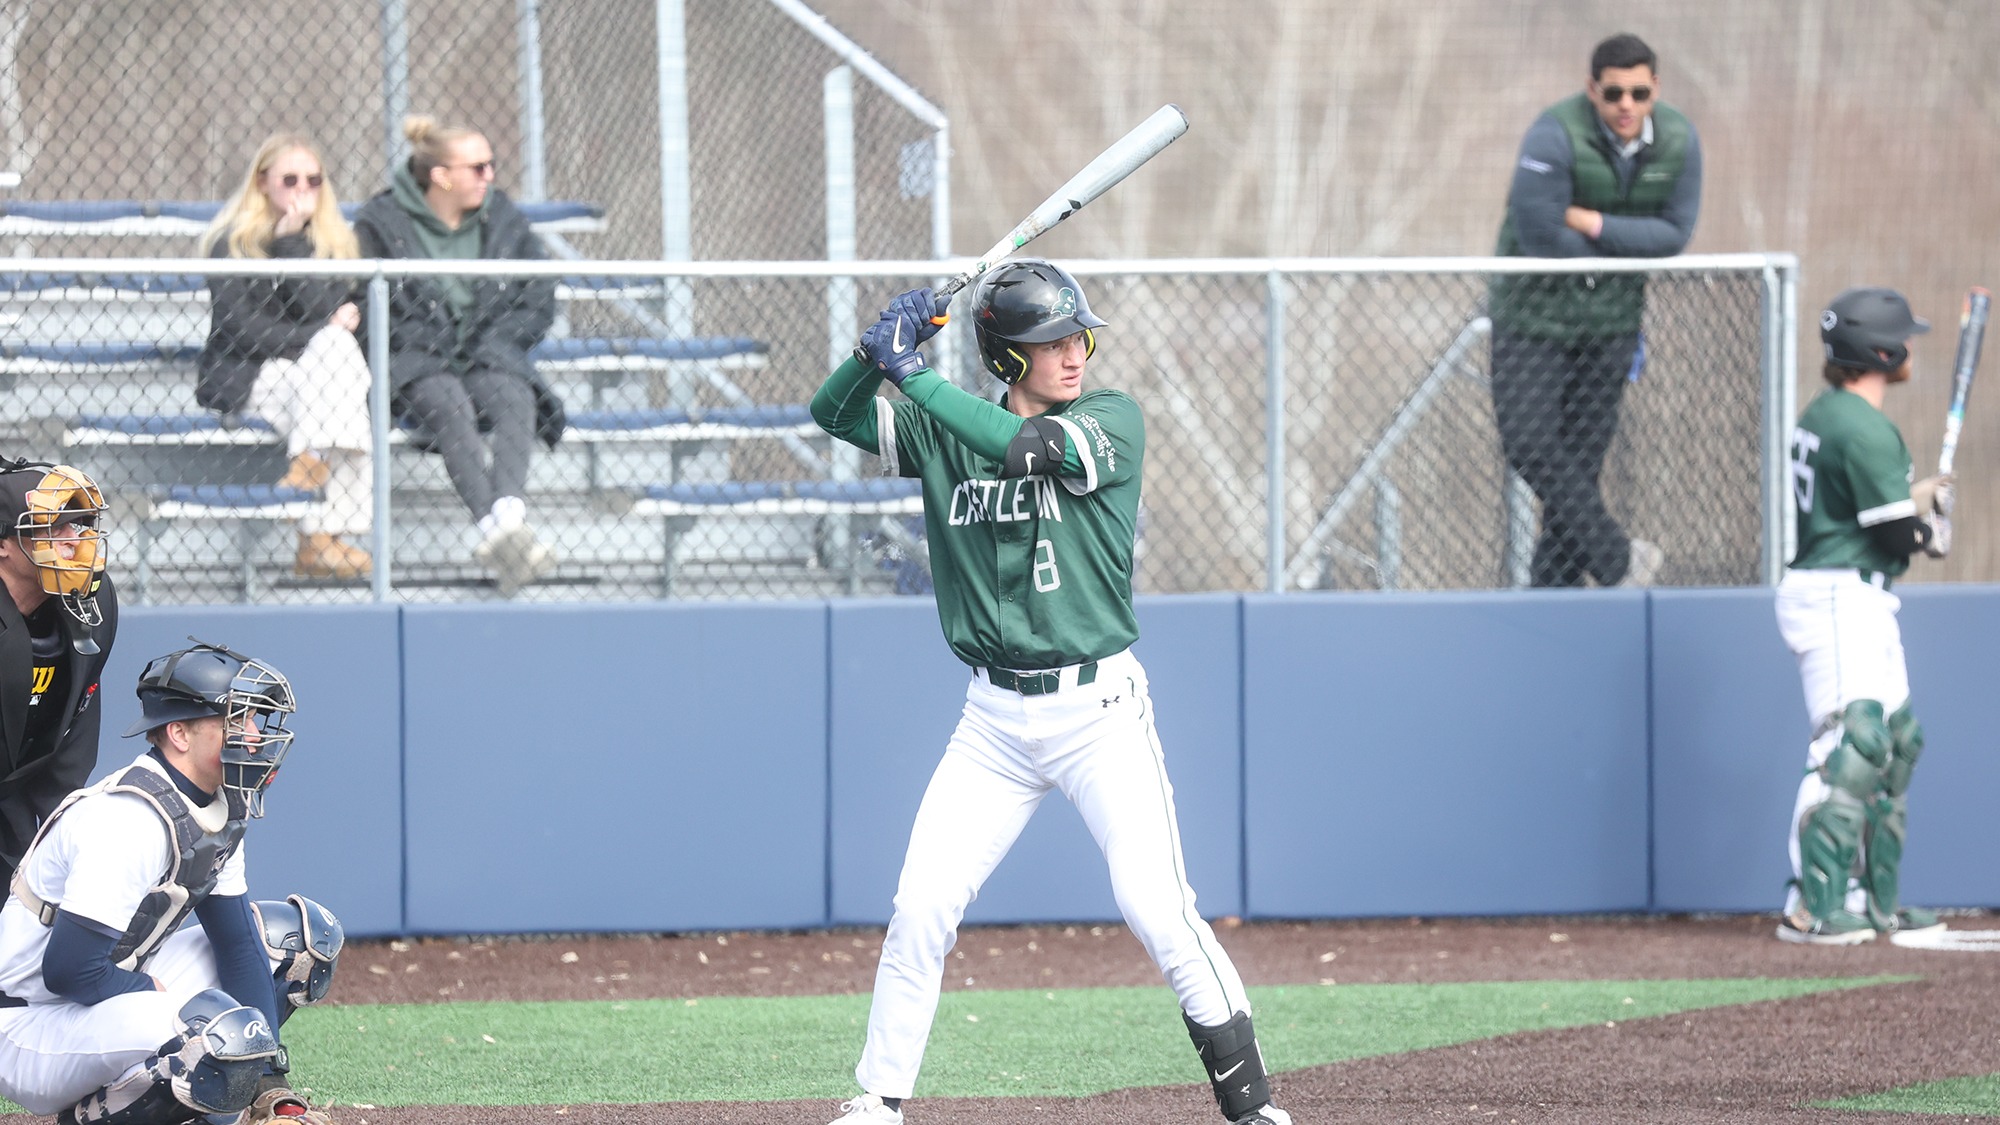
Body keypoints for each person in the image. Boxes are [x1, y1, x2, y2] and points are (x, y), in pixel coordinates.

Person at [810, 261, 1291, 1125]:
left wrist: (911, 371)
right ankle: (879, 1098)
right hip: (991, 720)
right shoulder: (941, 433)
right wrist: (870, 351)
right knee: (921, 904)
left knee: (1157, 907)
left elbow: (1026, 450)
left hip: (1099, 713)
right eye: (1049, 342)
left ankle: (1252, 1106)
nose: (1074, 353)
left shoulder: (1112, 419)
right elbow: (831, 414)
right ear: (1005, 358)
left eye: (1079, 336)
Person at [0, 642, 343, 1124]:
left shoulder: (218, 803)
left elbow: (238, 947)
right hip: (26, 1024)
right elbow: (68, 970)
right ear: (179, 733)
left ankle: (250, 1105)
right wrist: (153, 992)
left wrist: (270, 1085)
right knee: (206, 1030)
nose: (251, 734)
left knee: (293, 940)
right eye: (234, 719)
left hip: (97, 999)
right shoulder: (128, 820)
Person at [1488, 32, 1702, 587]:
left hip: (1610, 322)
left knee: (1581, 466)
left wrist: (1594, 223)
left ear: (1655, 87)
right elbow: (1539, 232)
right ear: (1592, 90)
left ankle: (1550, 596)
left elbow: (1673, 234)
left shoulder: (1678, 139)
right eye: (1613, 94)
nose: (1625, 106)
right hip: (1534, 317)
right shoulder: (1553, 133)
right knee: (1529, 441)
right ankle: (1618, 560)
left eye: (1637, 92)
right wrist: (1624, 246)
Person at [1775, 287, 1952, 946]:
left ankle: (1873, 898)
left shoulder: (1834, 413)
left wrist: (1917, 502)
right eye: (1901, 340)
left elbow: (1864, 507)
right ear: (1881, 351)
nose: (1909, 348)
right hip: (1837, 592)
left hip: (1856, 590)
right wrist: (1926, 528)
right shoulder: (1864, 425)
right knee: (1852, 744)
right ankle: (1811, 902)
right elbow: (1892, 535)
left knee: (1898, 739)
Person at [354, 114, 564, 596]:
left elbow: (538, 295)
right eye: (478, 167)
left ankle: (505, 522)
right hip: (417, 356)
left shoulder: (503, 216)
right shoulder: (382, 223)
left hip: (487, 350)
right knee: (450, 406)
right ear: (441, 175)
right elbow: (370, 308)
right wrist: (420, 343)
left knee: (515, 398)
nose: (490, 177)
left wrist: (496, 341)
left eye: (491, 166)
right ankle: (502, 536)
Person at [199, 133, 375, 581]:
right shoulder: (231, 243)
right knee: (339, 376)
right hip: (252, 374)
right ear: (262, 183)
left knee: (337, 358)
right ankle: (321, 539)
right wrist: (316, 336)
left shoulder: (333, 244)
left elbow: (326, 317)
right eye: (290, 179)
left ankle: (308, 467)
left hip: (316, 378)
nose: (303, 190)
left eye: (313, 180)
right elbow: (241, 329)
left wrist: (291, 243)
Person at [0, 461, 116, 894]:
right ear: (4, 544)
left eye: (82, 525)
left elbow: (73, 740)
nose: (76, 541)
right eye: (55, 527)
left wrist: (57, 839)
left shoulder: (95, 601)